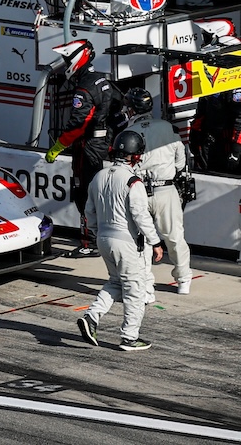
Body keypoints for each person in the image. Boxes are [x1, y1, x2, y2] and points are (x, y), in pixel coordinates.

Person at [76, 129, 163, 351]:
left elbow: (89, 212)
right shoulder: (133, 181)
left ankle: (91, 317)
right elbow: (140, 215)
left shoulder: (99, 176)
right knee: (135, 289)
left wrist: (97, 232)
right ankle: (129, 337)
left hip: (103, 239)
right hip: (126, 242)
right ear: (135, 156)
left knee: (115, 283)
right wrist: (155, 241)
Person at [44, 39, 123, 257]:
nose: (64, 62)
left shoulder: (83, 87)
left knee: (84, 195)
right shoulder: (102, 80)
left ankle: (89, 244)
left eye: (66, 58)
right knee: (102, 195)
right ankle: (102, 240)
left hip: (87, 147)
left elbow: (79, 124)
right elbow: (119, 106)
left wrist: (58, 146)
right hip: (104, 144)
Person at [124, 87, 193, 297]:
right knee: (174, 237)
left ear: (133, 108)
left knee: (142, 239)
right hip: (167, 189)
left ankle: (146, 285)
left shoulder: (128, 131)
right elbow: (181, 162)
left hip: (139, 190)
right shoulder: (168, 127)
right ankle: (184, 280)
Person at [189, 88, 241, 173]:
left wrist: (235, 152)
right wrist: (194, 137)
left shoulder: (234, 88)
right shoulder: (207, 88)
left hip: (229, 141)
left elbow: (239, 121)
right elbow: (200, 115)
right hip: (210, 140)